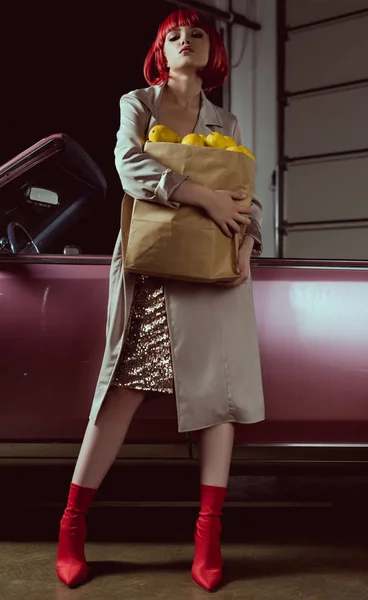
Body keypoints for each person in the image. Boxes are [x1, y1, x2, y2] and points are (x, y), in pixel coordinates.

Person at [56, 8, 265, 592]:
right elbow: (129, 165)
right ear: (160, 50)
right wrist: (204, 195)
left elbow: (244, 191)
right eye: (173, 35)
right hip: (152, 268)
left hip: (215, 267)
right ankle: (71, 527)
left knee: (218, 399)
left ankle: (208, 536)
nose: (185, 40)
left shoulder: (227, 119)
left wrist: (247, 239)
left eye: (197, 33)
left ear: (212, 50)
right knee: (122, 391)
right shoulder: (138, 105)